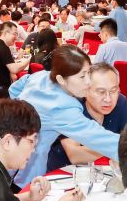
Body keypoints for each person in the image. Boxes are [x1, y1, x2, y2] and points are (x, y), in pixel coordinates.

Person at [8, 46, 120, 187]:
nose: (88, 82)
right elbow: (99, 138)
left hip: (1, 145)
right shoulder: (62, 107)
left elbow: (14, 89)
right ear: (61, 79)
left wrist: (19, 116)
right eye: (82, 77)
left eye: (88, 73)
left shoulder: (41, 76)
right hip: (24, 165)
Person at [0, 21, 27, 97]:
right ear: (5, 33)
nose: (16, 38)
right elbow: (14, 69)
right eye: (15, 34)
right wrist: (29, 60)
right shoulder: (2, 48)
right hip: (1, 90)